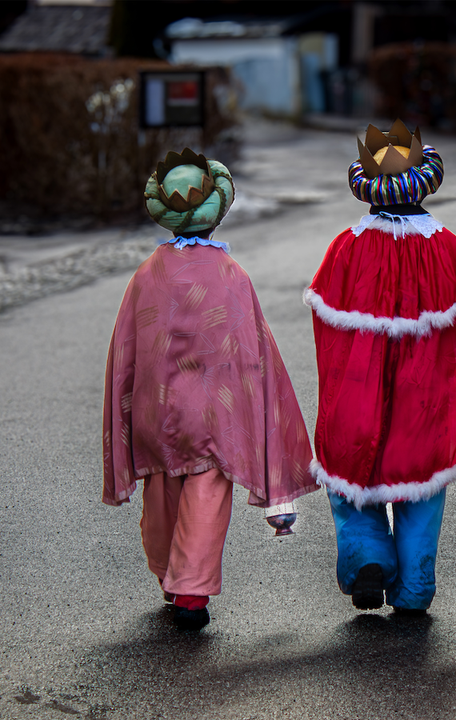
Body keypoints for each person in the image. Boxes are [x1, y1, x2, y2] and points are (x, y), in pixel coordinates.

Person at [102, 148, 317, 630]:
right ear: (217, 214)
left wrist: (129, 405)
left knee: (162, 491)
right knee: (205, 494)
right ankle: (190, 591)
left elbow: (127, 348)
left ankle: (169, 575)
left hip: (157, 411)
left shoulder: (147, 275)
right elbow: (252, 352)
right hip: (216, 414)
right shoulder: (231, 276)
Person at [304, 121, 456, 614]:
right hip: (425, 394)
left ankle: (368, 557)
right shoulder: (448, 247)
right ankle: (415, 586)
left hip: (357, 391)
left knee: (351, 478)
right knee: (421, 488)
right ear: (425, 180)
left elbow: (326, 329)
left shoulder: (347, 245)